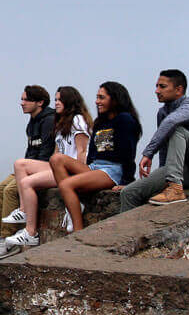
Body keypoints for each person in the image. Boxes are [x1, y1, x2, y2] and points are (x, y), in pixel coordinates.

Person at [0, 86, 93, 258]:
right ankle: (23, 211)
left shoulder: (77, 120)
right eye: (55, 99)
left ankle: (30, 232)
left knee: (26, 182)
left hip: (71, 170)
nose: (56, 103)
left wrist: (80, 179)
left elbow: (82, 151)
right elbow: (57, 152)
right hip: (58, 166)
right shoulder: (60, 123)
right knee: (20, 164)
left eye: (59, 100)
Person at [119, 70, 189, 210]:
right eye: (157, 86)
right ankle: (132, 231)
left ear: (179, 90)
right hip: (188, 172)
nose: (157, 91)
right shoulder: (163, 112)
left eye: (162, 86)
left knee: (176, 130)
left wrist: (148, 153)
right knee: (129, 193)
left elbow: (171, 123)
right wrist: (155, 181)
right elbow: (165, 150)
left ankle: (175, 189)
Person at [49, 82, 142, 232]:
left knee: (66, 185)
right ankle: (73, 201)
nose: (97, 101)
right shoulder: (100, 122)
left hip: (112, 170)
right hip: (94, 167)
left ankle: (77, 230)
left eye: (101, 97)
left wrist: (127, 181)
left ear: (115, 99)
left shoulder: (125, 120)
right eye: (97, 97)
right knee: (56, 159)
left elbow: (128, 152)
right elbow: (92, 152)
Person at [0, 86, 56, 253]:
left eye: (26, 100)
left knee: (11, 190)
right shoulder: (32, 123)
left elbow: (46, 152)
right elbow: (31, 151)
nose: (22, 103)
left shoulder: (49, 120)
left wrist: (28, 170)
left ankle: (8, 239)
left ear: (39, 102)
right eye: (22, 99)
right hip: (30, 165)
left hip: (43, 167)